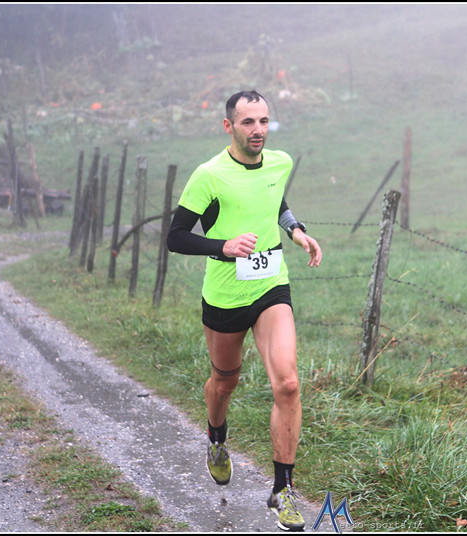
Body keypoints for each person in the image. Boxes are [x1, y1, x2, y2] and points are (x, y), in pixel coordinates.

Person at [166, 90, 322, 531]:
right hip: (225, 295)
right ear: (228, 126)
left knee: (288, 384)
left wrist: (295, 231)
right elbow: (176, 236)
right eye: (248, 122)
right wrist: (224, 246)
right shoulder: (209, 175)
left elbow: (274, 202)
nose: (258, 130)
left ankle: (282, 490)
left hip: (270, 285)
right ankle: (216, 437)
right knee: (225, 381)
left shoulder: (280, 163)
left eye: (264, 121)